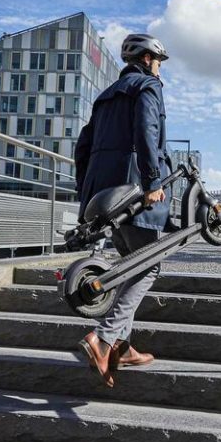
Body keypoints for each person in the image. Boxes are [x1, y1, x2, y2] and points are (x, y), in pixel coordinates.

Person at [73, 34, 171, 388]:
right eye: (158, 62)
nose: (159, 69)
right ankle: (103, 338)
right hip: (132, 189)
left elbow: (82, 148)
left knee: (131, 263)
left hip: (104, 195)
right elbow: (147, 131)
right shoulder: (147, 87)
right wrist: (152, 180)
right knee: (148, 264)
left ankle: (122, 347)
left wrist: (86, 194)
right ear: (146, 59)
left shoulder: (105, 96)